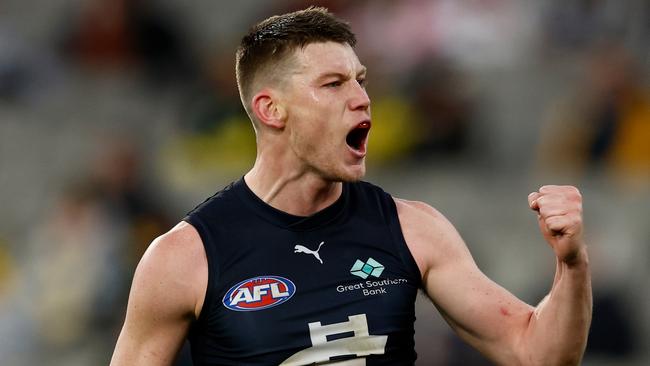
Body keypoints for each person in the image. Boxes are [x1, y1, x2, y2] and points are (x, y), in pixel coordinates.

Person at [110, 7, 592, 365]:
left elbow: (538, 353)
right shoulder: (183, 259)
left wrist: (571, 263)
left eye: (361, 81)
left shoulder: (412, 228)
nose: (363, 99)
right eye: (334, 84)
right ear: (270, 109)